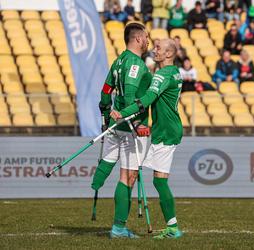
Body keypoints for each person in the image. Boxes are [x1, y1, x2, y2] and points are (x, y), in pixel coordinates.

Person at [111, 38, 184, 239]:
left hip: (166, 132)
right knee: (155, 179)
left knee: (160, 182)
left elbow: (148, 99)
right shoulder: (173, 72)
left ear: (169, 54)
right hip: (167, 129)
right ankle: (171, 227)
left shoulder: (163, 74)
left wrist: (123, 112)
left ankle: (173, 228)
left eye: (159, 48)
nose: (154, 49)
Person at [91, 23, 152, 239]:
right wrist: (134, 122)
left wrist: (106, 117)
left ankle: (99, 178)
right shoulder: (136, 64)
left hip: (116, 126)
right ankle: (118, 228)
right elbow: (130, 96)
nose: (148, 41)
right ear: (137, 39)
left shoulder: (118, 60)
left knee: (118, 170)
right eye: (146, 37)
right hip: (130, 128)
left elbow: (106, 90)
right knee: (128, 176)